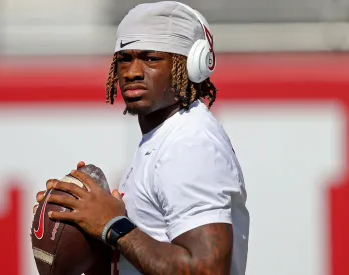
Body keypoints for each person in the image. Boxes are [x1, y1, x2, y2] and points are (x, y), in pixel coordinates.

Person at [35, 1, 250, 274]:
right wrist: (88, 228)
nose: (132, 72)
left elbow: (207, 268)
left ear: (191, 65)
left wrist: (113, 225)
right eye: (125, 58)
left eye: (151, 58)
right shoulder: (164, 136)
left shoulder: (189, 142)